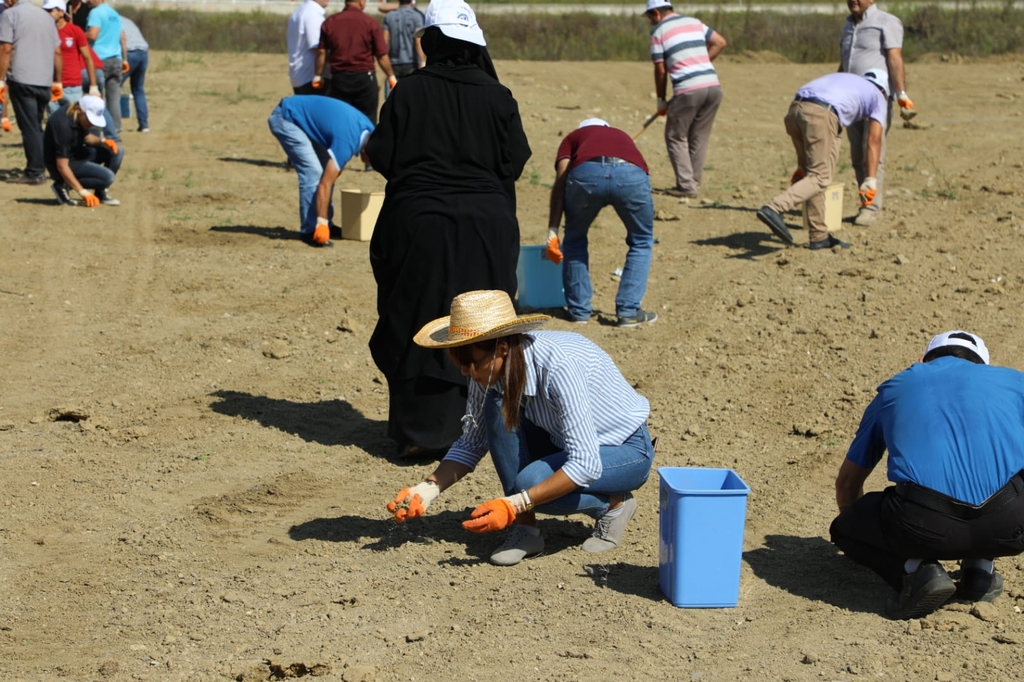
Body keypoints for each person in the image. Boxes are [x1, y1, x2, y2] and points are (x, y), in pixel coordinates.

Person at [364, 0, 531, 460]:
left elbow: (382, 156)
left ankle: (420, 433)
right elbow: (514, 160)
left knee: (417, 317)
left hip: (420, 225)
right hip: (487, 226)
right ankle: (484, 432)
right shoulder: (498, 96)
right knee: (482, 321)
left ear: (431, 43)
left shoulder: (409, 92)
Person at [386, 290, 656, 566]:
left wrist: (515, 503)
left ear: (502, 348)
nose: (466, 373)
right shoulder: (488, 371)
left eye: (471, 363)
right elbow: (473, 441)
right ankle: (527, 531)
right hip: (562, 440)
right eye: (460, 364)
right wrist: (427, 489)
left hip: (625, 450)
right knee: (496, 407)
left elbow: (586, 463)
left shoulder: (559, 366)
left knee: (528, 485)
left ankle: (614, 504)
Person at [830, 330, 1024, 620]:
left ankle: (917, 570)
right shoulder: (1015, 383)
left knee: (845, 527)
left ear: (922, 361)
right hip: (1009, 528)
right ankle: (980, 571)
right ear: (983, 367)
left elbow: (848, 484)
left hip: (922, 525)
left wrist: (870, 536)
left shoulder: (896, 387)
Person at [546, 118, 657, 328]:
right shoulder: (619, 134)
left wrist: (553, 229)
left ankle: (579, 312)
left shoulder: (573, 137)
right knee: (641, 240)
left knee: (575, 239)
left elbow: (561, 180)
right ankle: (629, 311)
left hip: (586, 174)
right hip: (630, 175)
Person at [756, 72, 887, 251]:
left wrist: (801, 166)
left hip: (795, 109)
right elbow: (874, 140)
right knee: (820, 177)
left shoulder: (849, 80)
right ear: (883, 89)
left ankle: (819, 236)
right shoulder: (878, 95)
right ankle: (775, 207)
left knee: (811, 176)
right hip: (821, 114)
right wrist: (870, 179)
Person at [840, 0, 915, 226]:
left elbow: (894, 58)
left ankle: (871, 208)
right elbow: (845, 64)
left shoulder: (886, 22)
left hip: (876, 98)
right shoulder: (847, 27)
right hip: (851, 99)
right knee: (857, 156)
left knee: (871, 150)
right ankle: (865, 203)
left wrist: (901, 93)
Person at [267, 95, 375, 247]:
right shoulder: (347, 141)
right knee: (314, 172)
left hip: (299, 116)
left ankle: (326, 224)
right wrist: (321, 222)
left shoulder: (370, 130)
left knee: (327, 172)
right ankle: (311, 230)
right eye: (372, 159)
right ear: (365, 150)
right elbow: (324, 184)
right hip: (286, 117)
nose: (373, 163)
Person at [644, 0, 726, 199]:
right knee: (699, 136)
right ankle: (693, 183)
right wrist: (700, 63)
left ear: (655, 13)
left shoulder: (658, 32)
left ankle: (687, 185)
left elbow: (660, 69)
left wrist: (661, 100)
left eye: (649, 18)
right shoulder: (694, 22)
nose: (649, 23)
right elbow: (720, 42)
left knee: (675, 135)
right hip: (713, 87)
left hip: (688, 89)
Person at [0, 0, 62, 185]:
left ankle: (35, 172)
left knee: (29, 128)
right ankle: (43, 166)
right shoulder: (46, 16)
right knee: (36, 125)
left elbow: (6, 48)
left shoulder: (10, 15)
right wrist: (57, 81)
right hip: (44, 80)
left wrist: (0, 79)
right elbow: (57, 51)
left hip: (22, 78)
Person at [314, 0, 396, 125]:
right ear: (361, 2)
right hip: (364, 78)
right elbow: (382, 55)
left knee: (340, 121)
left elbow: (321, 52)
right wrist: (391, 76)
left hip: (339, 79)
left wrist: (318, 75)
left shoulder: (330, 22)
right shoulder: (370, 22)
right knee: (367, 120)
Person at [45, 93, 123, 207]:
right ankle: (62, 184)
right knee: (108, 177)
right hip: (64, 163)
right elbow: (62, 165)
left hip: (77, 153)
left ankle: (100, 193)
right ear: (79, 110)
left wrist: (102, 141)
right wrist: (83, 192)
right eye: (90, 120)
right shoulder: (63, 125)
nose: (91, 124)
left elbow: (86, 138)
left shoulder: (77, 116)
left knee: (117, 151)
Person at [46, 0, 97, 114]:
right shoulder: (45, 31)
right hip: (51, 86)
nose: (48, 13)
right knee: (54, 123)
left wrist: (93, 85)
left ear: (61, 12)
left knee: (74, 122)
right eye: (46, 11)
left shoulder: (75, 31)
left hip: (72, 86)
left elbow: (88, 58)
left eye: (51, 10)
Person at [84, 0, 125, 135]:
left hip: (100, 60)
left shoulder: (95, 12)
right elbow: (122, 37)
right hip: (116, 59)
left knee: (95, 96)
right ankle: (115, 130)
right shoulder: (114, 13)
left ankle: (96, 129)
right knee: (114, 98)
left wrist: (77, 34)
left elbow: (93, 34)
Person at [381, 0, 424, 97]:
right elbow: (417, 42)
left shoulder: (389, 17)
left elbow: (384, 42)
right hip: (411, 63)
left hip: (394, 63)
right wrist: (422, 61)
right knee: (412, 97)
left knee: (393, 96)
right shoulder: (417, 16)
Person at [287, 0, 328, 95]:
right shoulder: (313, 14)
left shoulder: (299, 11)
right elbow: (319, 48)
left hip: (299, 75)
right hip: (310, 76)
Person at [120, 16, 148, 132]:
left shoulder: (112, 21)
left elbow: (123, 41)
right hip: (143, 53)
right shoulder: (128, 20)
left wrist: (124, 59)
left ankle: (115, 124)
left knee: (114, 87)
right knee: (138, 89)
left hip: (130, 53)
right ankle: (144, 124)